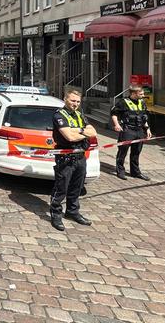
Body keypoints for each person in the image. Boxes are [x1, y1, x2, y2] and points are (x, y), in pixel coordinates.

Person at [50, 89, 97, 232]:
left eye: (77, 101)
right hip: (66, 157)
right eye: (72, 100)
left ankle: (72, 211)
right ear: (65, 99)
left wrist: (78, 131)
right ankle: (56, 214)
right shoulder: (59, 114)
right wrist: (83, 132)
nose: (75, 104)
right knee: (61, 187)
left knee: (77, 186)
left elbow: (93, 132)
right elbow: (68, 137)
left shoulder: (79, 114)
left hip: (80, 156)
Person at [111, 86, 151, 181]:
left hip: (139, 130)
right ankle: (120, 171)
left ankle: (135, 172)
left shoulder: (142, 102)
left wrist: (147, 129)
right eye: (141, 94)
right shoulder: (123, 102)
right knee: (122, 151)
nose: (143, 95)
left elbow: (144, 118)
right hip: (127, 130)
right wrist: (116, 125)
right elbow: (114, 113)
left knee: (136, 152)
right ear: (133, 94)